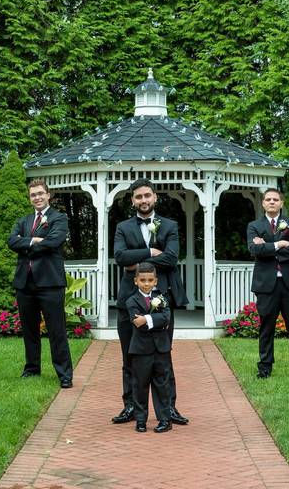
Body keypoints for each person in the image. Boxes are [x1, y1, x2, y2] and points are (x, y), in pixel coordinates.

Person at [112, 179, 189, 426]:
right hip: (130, 302)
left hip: (163, 298)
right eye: (138, 197)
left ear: (155, 197)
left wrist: (136, 265)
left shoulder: (169, 225)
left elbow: (172, 258)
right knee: (129, 355)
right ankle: (130, 406)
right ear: (132, 200)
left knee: (163, 356)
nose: (143, 200)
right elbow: (120, 257)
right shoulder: (123, 227)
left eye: (147, 195)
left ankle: (169, 408)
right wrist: (150, 253)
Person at [7, 179, 73, 388]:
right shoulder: (24, 220)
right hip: (25, 283)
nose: (36, 197)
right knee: (29, 329)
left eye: (40, 193)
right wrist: (35, 241)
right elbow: (11, 242)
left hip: (50, 283)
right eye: (33, 194)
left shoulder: (59, 218)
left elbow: (54, 242)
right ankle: (32, 368)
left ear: (48, 195)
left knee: (57, 329)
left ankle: (64, 374)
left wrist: (26, 241)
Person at [247, 187, 289, 379]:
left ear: (281, 203)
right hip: (266, 285)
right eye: (268, 199)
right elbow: (255, 250)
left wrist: (267, 246)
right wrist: (280, 244)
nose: (272, 202)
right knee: (266, 327)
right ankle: (265, 367)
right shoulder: (254, 226)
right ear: (263, 203)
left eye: (276, 199)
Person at [125, 263, 174, 433]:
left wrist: (146, 319)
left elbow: (167, 318)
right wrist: (154, 320)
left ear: (156, 281)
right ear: (136, 281)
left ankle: (165, 419)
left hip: (161, 349)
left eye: (150, 280)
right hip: (141, 349)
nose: (146, 283)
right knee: (140, 384)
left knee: (162, 384)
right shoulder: (131, 301)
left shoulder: (161, 298)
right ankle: (140, 420)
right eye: (143, 280)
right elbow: (138, 324)